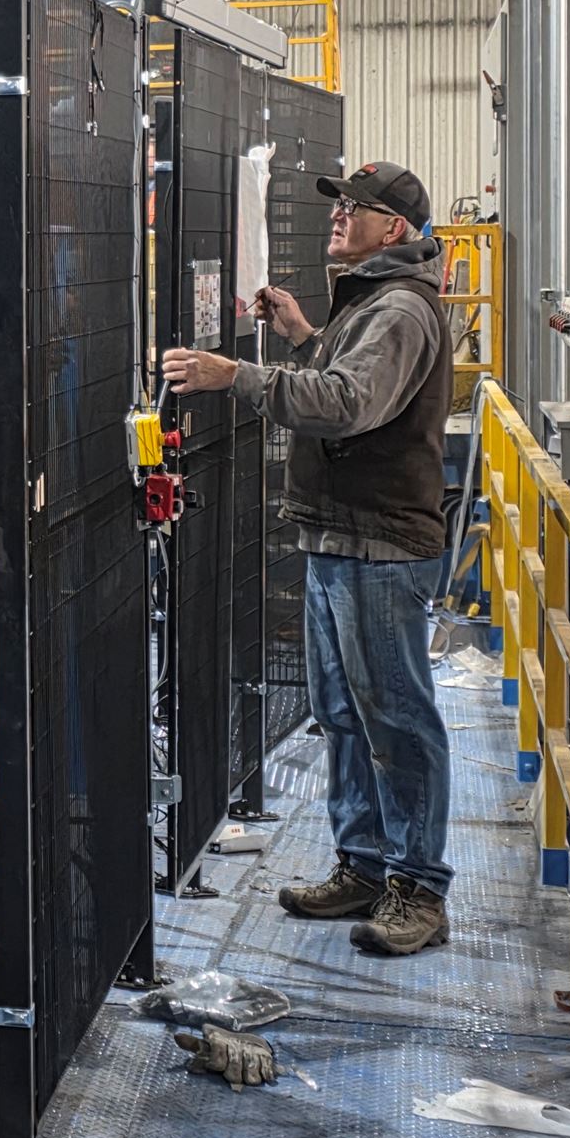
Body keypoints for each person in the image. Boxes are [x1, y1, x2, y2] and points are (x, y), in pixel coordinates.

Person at [160, 161, 455, 957]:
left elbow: (350, 403)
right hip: (337, 535)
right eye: (340, 205)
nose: (338, 216)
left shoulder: (400, 307)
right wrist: (302, 337)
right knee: (345, 714)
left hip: (378, 543)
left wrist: (237, 375)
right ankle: (363, 865)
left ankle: (419, 888)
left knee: (396, 718)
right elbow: (344, 373)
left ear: (393, 228)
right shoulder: (369, 300)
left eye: (355, 207)